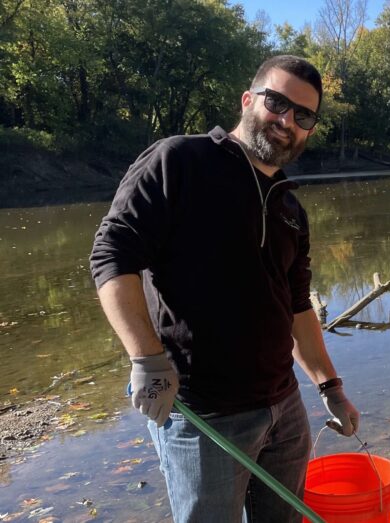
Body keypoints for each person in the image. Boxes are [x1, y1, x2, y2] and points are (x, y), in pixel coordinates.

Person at [90, 55, 359, 523]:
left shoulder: (290, 206)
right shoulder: (179, 161)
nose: (285, 121)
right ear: (248, 99)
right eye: (276, 103)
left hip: (285, 408)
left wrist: (329, 386)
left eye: (303, 115)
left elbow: (295, 307)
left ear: (311, 130)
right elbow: (112, 257)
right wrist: (147, 360)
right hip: (202, 415)